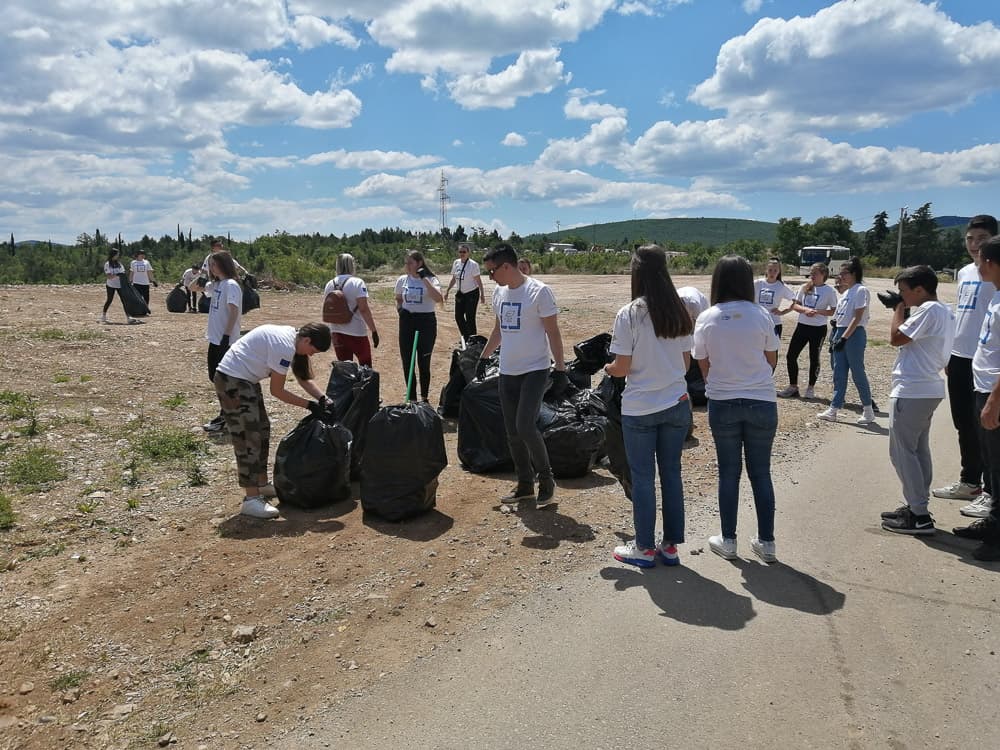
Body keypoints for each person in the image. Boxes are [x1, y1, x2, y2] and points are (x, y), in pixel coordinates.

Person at [605, 245, 694, 568]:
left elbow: (623, 367)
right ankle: (670, 546)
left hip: (640, 408)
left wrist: (608, 368)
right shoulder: (679, 310)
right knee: (672, 474)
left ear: (636, 271)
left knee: (643, 477)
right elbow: (685, 364)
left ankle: (643, 547)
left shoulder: (629, 313)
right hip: (676, 403)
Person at [692, 255, 780, 563]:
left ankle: (728, 540)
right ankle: (766, 543)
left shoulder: (708, 317)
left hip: (723, 401)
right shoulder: (761, 315)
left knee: (729, 472)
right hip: (762, 400)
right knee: (761, 473)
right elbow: (771, 358)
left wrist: (719, 378)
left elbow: (702, 362)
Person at [479, 243, 568, 508]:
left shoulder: (538, 292)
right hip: (508, 371)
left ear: (507, 266)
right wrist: (483, 358)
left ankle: (547, 482)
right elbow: (499, 330)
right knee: (512, 432)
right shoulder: (499, 293)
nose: (490, 277)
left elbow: (553, 331)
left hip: (535, 369)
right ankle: (525, 485)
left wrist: (561, 367)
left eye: (492, 271)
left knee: (525, 426)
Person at [214, 323, 332, 519]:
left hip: (245, 381)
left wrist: (323, 398)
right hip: (232, 381)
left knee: (262, 430)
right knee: (248, 439)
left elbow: (302, 376)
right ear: (307, 340)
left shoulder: (292, 338)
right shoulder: (284, 346)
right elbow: (277, 391)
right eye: (313, 350)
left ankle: (261, 484)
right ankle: (251, 500)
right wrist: (309, 406)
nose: (312, 355)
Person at [878, 266, 954, 535]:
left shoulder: (929, 310)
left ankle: (919, 515)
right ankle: (916, 505)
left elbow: (897, 338)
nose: (902, 296)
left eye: (904, 291)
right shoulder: (944, 310)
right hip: (928, 388)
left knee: (901, 453)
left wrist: (898, 310)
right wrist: (902, 305)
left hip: (912, 389)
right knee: (918, 450)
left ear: (920, 290)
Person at [932, 215, 998, 516]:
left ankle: (989, 489)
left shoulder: (994, 271)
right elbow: (960, 315)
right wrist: (948, 353)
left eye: (981, 239)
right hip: (959, 356)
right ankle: (969, 480)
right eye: (970, 238)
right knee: (962, 422)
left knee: (984, 425)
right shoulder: (964, 272)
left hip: (984, 359)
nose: (974, 245)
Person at [954, 235, 1000, 560]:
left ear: (993, 264)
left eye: (982, 259)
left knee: (998, 465)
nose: (978, 264)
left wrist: (994, 399)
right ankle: (992, 522)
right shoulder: (995, 297)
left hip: (994, 393)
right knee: (991, 465)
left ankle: (997, 537)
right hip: (981, 388)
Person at [817, 257, 876, 424]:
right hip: (841, 333)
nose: (841, 276)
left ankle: (868, 409)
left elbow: (857, 318)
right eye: (840, 273)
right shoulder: (846, 292)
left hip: (854, 334)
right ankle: (834, 409)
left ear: (854, 274)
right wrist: (835, 336)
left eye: (844, 273)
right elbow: (840, 317)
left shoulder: (860, 290)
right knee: (839, 372)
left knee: (857, 372)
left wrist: (844, 337)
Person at [777, 263, 838, 399]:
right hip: (802, 326)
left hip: (818, 329)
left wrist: (817, 312)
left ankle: (810, 387)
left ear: (823, 275)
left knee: (814, 358)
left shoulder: (829, 291)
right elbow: (795, 305)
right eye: (811, 273)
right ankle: (793, 386)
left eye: (814, 273)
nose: (812, 276)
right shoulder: (805, 287)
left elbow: (833, 310)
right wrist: (805, 310)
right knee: (791, 355)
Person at [203, 251, 243, 433]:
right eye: (210, 264)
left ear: (224, 265)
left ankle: (226, 417)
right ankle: (230, 414)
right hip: (215, 338)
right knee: (215, 377)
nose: (211, 267)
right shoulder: (217, 284)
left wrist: (226, 336)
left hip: (224, 340)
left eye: (214, 264)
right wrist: (203, 274)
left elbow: (233, 311)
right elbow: (195, 288)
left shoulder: (231, 285)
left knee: (223, 379)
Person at [395, 250, 443, 401]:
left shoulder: (431, 279)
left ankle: (424, 397)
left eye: (410, 263)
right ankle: (412, 398)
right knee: (408, 362)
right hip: (407, 321)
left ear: (419, 263)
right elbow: (398, 298)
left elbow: (438, 298)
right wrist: (401, 311)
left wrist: (424, 279)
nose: (407, 266)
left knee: (424, 362)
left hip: (426, 323)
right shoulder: (403, 280)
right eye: (406, 263)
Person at [323, 253, 380, 366]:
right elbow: (363, 309)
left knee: (345, 370)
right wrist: (373, 330)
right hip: (356, 332)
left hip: (337, 331)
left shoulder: (329, 284)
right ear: (351, 265)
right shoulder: (357, 282)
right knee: (365, 366)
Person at [444, 243, 486, 338]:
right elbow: (454, 278)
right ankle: (465, 336)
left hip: (471, 293)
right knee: (458, 316)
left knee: (470, 317)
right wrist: (447, 290)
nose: (462, 253)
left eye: (464, 252)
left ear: (468, 253)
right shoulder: (456, 263)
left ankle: (473, 339)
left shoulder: (473, 265)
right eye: (460, 252)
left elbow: (478, 280)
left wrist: (482, 294)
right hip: (460, 294)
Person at [754, 258, 795, 338]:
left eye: (775, 270)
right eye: (770, 270)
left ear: (779, 272)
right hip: (758, 323)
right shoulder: (757, 283)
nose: (772, 273)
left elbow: (796, 301)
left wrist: (783, 312)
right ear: (766, 270)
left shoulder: (782, 286)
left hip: (774, 323)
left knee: (772, 350)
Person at [100, 248, 138, 324]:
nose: (118, 255)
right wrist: (117, 275)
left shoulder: (119, 264)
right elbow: (109, 277)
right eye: (117, 254)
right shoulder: (107, 264)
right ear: (113, 255)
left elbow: (123, 273)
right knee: (109, 300)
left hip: (120, 285)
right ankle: (103, 316)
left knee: (124, 301)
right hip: (111, 285)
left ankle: (128, 317)